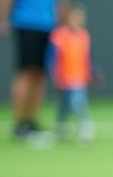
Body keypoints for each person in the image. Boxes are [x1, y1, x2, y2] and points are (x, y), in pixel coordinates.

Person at [0, 0, 66, 140]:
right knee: (27, 72)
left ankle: (32, 122)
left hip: (48, 26)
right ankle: (20, 123)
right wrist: (3, 19)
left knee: (40, 74)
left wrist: (61, 22)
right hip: (27, 23)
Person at [46, 3, 101, 144]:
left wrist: (94, 72)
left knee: (78, 102)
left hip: (79, 78)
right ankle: (61, 127)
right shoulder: (59, 36)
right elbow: (52, 58)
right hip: (64, 78)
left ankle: (85, 128)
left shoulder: (84, 36)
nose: (77, 21)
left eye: (80, 18)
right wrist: (55, 76)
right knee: (63, 106)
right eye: (74, 18)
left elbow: (89, 57)